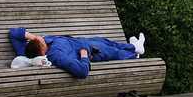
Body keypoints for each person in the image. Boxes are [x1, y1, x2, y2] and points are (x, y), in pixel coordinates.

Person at [8, 27, 145, 79]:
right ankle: (135, 54)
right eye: (41, 41)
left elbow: (13, 33)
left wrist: (33, 37)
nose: (41, 38)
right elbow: (82, 72)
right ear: (42, 51)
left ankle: (134, 47)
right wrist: (84, 55)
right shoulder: (57, 55)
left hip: (83, 41)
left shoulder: (25, 51)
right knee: (113, 51)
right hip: (92, 51)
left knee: (106, 41)